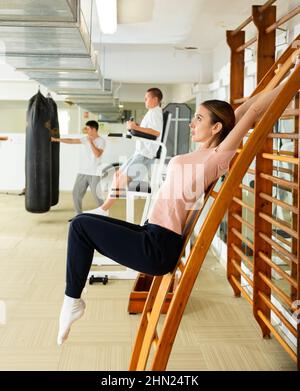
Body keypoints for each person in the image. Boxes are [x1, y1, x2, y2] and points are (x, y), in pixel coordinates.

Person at [56, 63, 298, 345]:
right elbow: (244, 109)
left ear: (216, 127)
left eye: (198, 118)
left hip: (157, 247)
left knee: (81, 227)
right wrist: (285, 71)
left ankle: (72, 300)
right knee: (80, 222)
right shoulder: (205, 151)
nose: (192, 123)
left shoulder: (217, 158)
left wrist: (295, 77)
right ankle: (72, 299)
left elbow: (254, 113)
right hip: (150, 233)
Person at [85, 87, 163, 216]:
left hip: (145, 154)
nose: (145, 101)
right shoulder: (151, 112)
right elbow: (148, 130)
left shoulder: (155, 112)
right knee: (117, 175)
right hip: (140, 152)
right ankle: (105, 208)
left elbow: (156, 132)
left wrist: (135, 127)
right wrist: (135, 128)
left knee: (121, 178)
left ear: (155, 99)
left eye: (146, 98)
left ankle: (103, 209)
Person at [51, 120, 105, 215]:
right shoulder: (85, 138)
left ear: (93, 129)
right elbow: (71, 141)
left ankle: (104, 215)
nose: (86, 131)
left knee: (97, 197)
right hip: (83, 172)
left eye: (87, 129)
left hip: (94, 173)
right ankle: (78, 215)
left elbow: (97, 154)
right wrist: (56, 140)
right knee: (76, 194)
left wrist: (91, 142)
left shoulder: (101, 141)